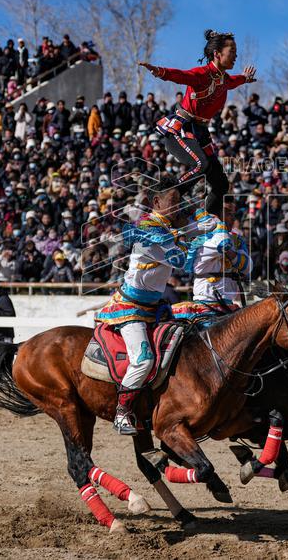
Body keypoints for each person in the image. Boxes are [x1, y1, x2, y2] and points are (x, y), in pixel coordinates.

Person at [96, 178, 188, 434]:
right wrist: (187, 230)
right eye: (173, 202)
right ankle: (122, 412)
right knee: (143, 360)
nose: (178, 208)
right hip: (130, 308)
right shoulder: (148, 230)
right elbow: (182, 261)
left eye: (180, 203)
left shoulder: (166, 230)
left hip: (155, 306)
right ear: (157, 202)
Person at [140, 30, 257, 214]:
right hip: (181, 129)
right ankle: (166, 199)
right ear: (217, 54)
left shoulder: (224, 79)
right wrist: (160, 71)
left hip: (201, 133)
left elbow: (234, 81)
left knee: (221, 184)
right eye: (232, 51)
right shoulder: (202, 74)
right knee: (201, 165)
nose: (236, 55)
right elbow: (180, 75)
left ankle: (211, 223)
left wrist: (245, 78)